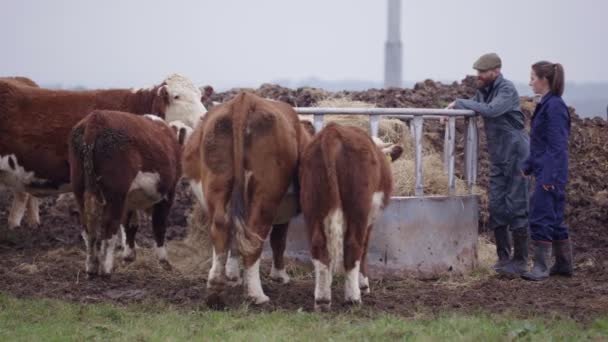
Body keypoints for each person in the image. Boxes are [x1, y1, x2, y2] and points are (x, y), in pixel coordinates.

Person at [448, 53, 530, 275]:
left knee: (516, 204)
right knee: (496, 205)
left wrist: (460, 102)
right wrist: (451, 111)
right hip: (498, 155)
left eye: (482, 72)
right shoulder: (483, 91)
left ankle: (521, 260)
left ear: (496, 71)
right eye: (478, 72)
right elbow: (476, 106)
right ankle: (503, 259)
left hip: (516, 152)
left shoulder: (506, 90)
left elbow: (491, 110)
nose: (479, 76)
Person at [521, 61, 572, 281]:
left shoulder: (554, 107)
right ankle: (563, 265)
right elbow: (540, 142)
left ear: (544, 80)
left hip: (550, 174)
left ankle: (541, 267)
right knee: (555, 218)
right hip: (548, 171)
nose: (530, 82)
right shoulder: (548, 104)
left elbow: (557, 145)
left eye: (533, 77)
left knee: (541, 216)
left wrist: (548, 177)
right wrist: (528, 165)